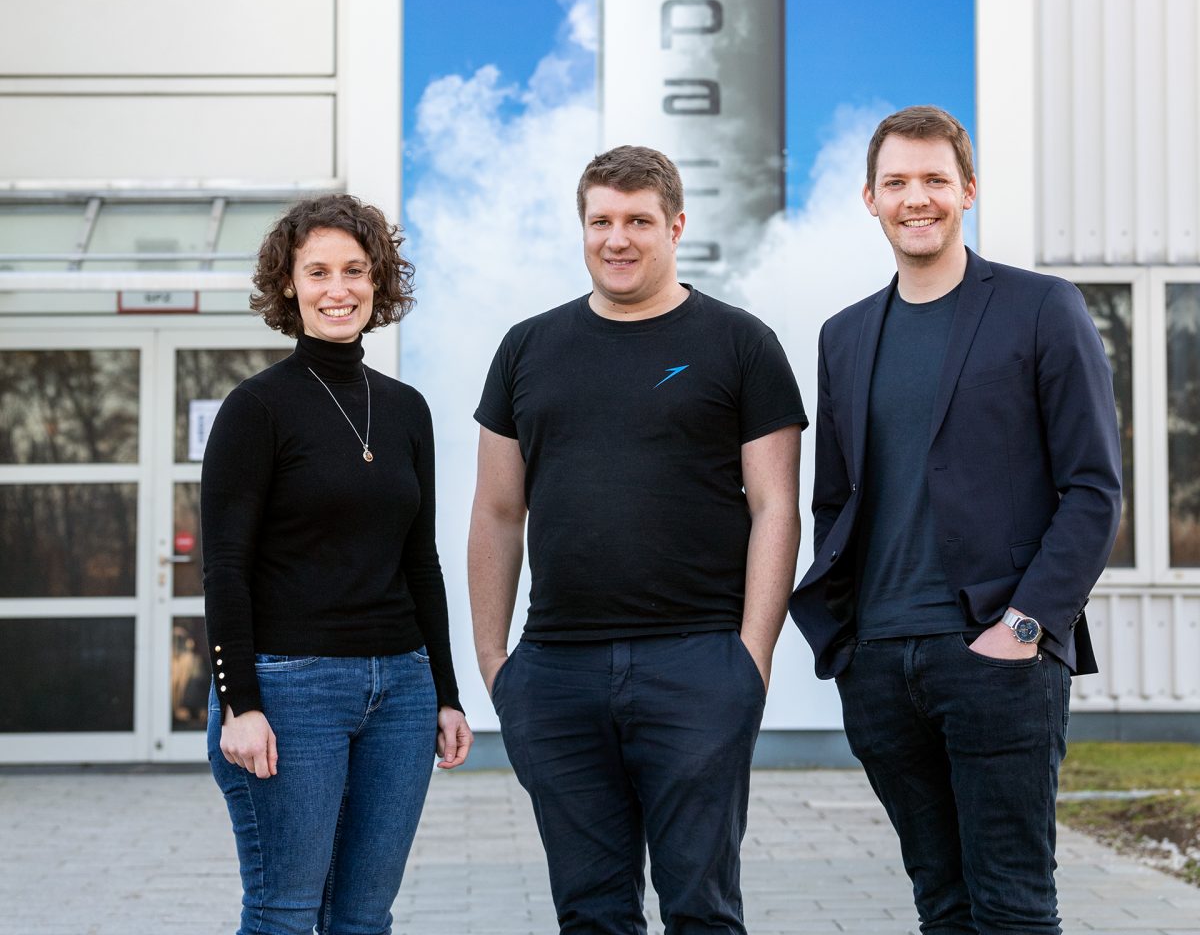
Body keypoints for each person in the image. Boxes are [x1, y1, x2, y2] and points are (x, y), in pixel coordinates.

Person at [789, 106, 1122, 934]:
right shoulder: (845, 335)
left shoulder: (1042, 308)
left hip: (997, 656)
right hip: (880, 663)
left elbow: (1093, 489)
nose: (917, 198)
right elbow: (836, 500)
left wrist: (1025, 626)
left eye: (935, 179)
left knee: (1011, 906)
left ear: (967, 190)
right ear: (870, 198)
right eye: (897, 182)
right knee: (941, 905)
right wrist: (846, 643)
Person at [468, 145, 806, 935]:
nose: (617, 240)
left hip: (696, 666)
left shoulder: (740, 344)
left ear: (675, 225)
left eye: (638, 222)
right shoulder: (527, 348)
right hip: (555, 671)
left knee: (701, 909)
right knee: (590, 914)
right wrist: (495, 663)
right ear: (583, 227)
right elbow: (496, 511)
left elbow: (777, 507)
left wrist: (748, 661)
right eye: (601, 221)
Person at [202, 194, 472, 935]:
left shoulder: (407, 409)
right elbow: (224, 567)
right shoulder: (256, 410)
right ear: (289, 284)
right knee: (285, 914)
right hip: (292, 691)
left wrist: (446, 694)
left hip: (402, 692)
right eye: (318, 272)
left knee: (364, 918)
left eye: (356, 270)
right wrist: (240, 704)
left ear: (379, 282)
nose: (338, 289)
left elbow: (422, 562)